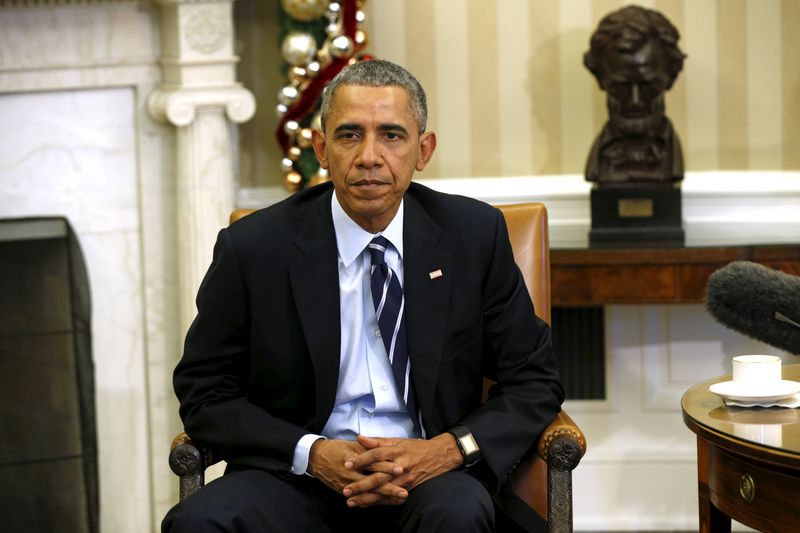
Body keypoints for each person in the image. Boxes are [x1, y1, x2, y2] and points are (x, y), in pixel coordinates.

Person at [163, 59, 563, 533]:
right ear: (321, 148)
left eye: (391, 135)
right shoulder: (255, 248)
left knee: (458, 513)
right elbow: (205, 391)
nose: (369, 156)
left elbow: (534, 380)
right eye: (349, 135)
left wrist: (448, 449)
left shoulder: (472, 237)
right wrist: (312, 453)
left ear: (423, 150)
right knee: (198, 523)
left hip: (429, 474)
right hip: (294, 477)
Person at [583, 5, 686, 185]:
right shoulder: (599, 161)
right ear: (601, 79)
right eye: (620, 87)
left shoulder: (671, 157)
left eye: (649, 86)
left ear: (670, 78)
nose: (635, 101)